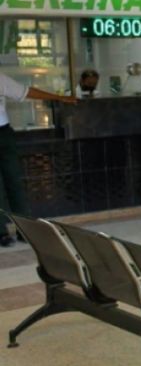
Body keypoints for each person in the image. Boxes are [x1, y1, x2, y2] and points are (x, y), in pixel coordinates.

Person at [1, 71, 77, 247]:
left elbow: (26, 92)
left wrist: (58, 98)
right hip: (4, 133)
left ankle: (24, 229)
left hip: (3, 133)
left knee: (15, 182)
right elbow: (27, 92)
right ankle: (2, 232)